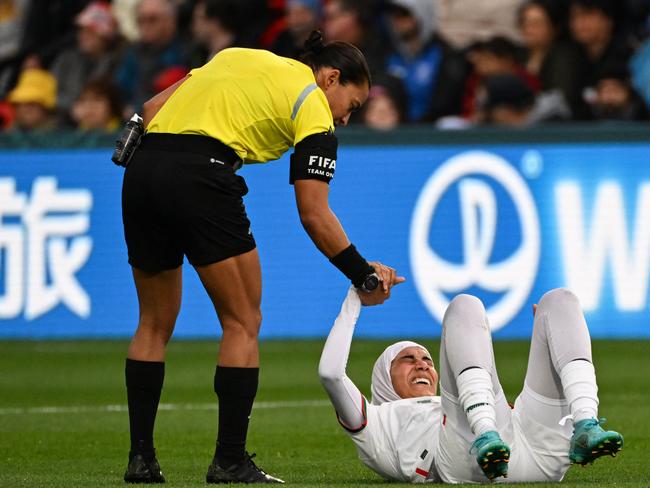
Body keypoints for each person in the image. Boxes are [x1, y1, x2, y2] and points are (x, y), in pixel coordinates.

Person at [120, 30, 401, 484]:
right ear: (331, 78)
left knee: (152, 324)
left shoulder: (237, 56)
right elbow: (313, 213)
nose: (346, 120)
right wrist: (362, 274)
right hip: (203, 176)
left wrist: (135, 127)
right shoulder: (313, 105)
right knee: (242, 322)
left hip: (143, 170)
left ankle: (141, 460)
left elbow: (151, 109)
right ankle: (229, 461)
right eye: (352, 106)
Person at [319, 286, 623, 483]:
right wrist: (355, 297)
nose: (422, 363)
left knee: (559, 301)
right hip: (466, 461)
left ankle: (586, 424)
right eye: (407, 360)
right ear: (383, 377)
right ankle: (484, 434)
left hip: (536, 454)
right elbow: (331, 373)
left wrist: (547, 339)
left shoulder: (450, 401)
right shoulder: (376, 422)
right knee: (464, 305)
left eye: (427, 359)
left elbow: (519, 414)